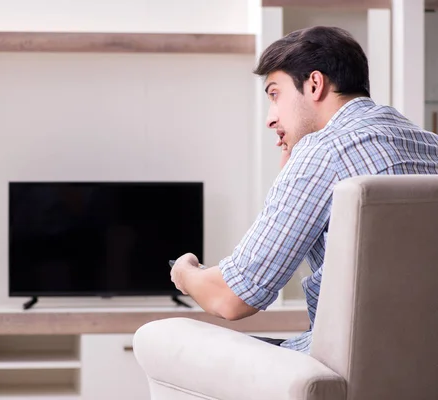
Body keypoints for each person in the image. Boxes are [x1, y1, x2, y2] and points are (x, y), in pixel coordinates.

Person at [170, 26, 438, 354]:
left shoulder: (325, 150)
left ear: (314, 84)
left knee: (173, 341)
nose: (270, 119)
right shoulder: (429, 144)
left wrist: (184, 272)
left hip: (341, 363)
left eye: (274, 94)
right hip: (420, 364)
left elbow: (231, 298)